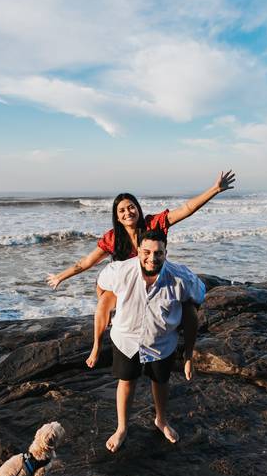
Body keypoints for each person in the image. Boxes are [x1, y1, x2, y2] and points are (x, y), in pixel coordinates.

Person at [46, 170, 235, 366]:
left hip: (156, 280)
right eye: (122, 211)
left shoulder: (153, 224)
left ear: (138, 208)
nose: (128, 212)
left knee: (186, 304)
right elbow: (86, 262)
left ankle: (185, 351)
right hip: (128, 285)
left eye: (131, 207)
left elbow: (186, 208)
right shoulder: (113, 238)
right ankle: (97, 346)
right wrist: (61, 276)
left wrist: (214, 189)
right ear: (117, 217)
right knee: (103, 301)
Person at [95, 227, 206, 453]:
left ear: (166, 252)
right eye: (146, 252)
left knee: (161, 381)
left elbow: (198, 299)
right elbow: (102, 284)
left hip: (162, 342)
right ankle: (122, 428)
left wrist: (188, 355)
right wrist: (107, 304)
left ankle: (161, 420)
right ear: (138, 250)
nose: (152, 258)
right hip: (126, 338)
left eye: (158, 253)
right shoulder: (120, 271)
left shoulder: (181, 277)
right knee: (126, 381)